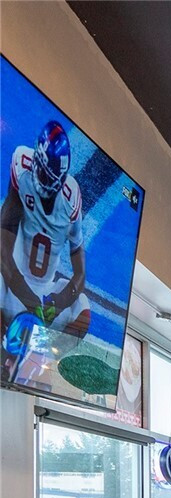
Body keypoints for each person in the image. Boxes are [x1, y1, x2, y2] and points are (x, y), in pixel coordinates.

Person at [2, 121, 89, 382]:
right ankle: (3, 353)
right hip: (14, 281)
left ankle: (44, 356)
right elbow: (3, 252)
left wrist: (58, 302)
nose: (44, 182)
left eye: (50, 178)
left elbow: (80, 275)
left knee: (82, 308)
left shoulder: (70, 199)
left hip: (45, 295)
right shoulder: (22, 168)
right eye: (41, 172)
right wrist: (28, 299)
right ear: (35, 162)